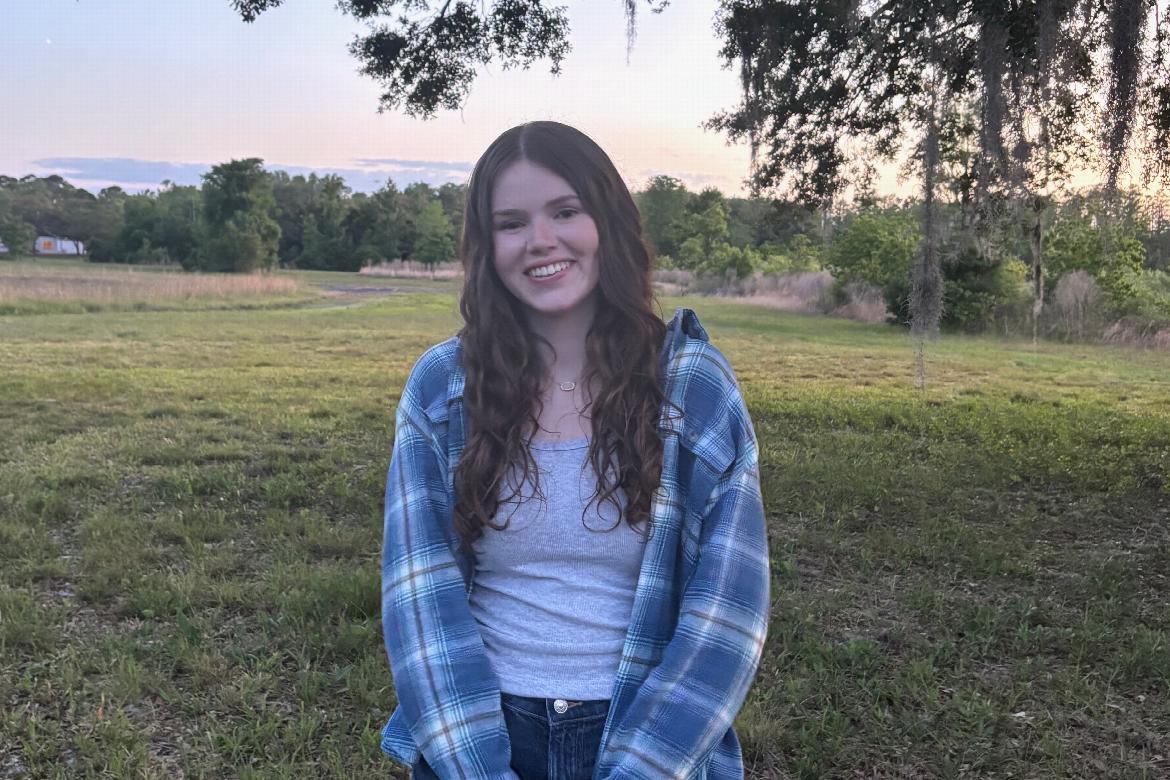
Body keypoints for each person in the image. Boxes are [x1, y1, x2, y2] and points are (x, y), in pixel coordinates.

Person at [380, 121, 770, 779]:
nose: (540, 240)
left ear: (607, 222)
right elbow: (417, 595)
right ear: (487, 247)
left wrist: (644, 768)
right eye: (511, 224)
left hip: (646, 733)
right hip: (485, 733)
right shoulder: (444, 387)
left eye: (565, 211)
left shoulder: (693, 385)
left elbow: (730, 613)